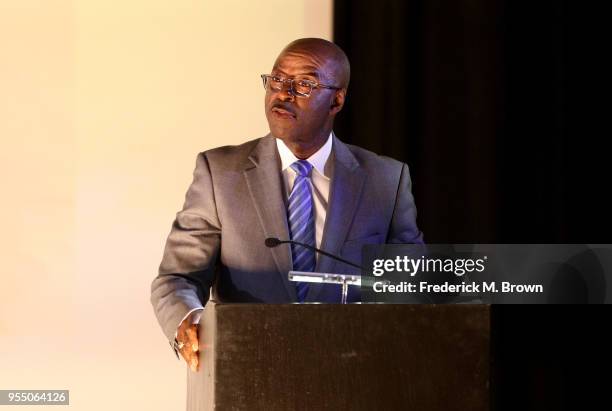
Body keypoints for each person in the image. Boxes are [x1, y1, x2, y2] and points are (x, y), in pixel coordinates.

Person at [150, 38, 423, 372]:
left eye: (304, 84)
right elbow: (178, 277)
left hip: (354, 373)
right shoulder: (221, 174)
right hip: (248, 373)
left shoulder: (385, 180)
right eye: (277, 80)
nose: (282, 94)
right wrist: (188, 321)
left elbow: (410, 281)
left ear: (336, 101)